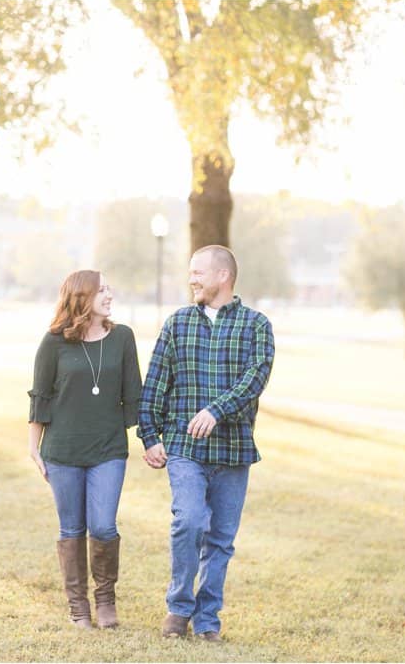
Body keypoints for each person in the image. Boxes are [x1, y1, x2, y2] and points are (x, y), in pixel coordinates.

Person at [138, 245, 275, 642]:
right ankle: (178, 608)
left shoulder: (256, 325)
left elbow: (255, 379)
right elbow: (156, 385)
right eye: (190, 272)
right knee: (189, 521)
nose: (191, 278)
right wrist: (150, 436)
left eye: (198, 272)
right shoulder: (177, 323)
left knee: (221, 539)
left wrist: (216, 410)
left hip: (233, 450)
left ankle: (208, 619)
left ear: (222, 276)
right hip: (185, 448)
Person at [28, 270, 143, 629]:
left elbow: (135, 396)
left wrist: (153, 439)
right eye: (102, 289)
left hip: (108, 449)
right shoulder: (53, 342)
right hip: (62, 451)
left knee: (104, 526)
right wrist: (34, 448)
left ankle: (105, 600)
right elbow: (41, 397)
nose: (110, 294)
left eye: (110, 287)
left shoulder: (122, 337)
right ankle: (78, 607)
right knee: (72, 529)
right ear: (82, 297)